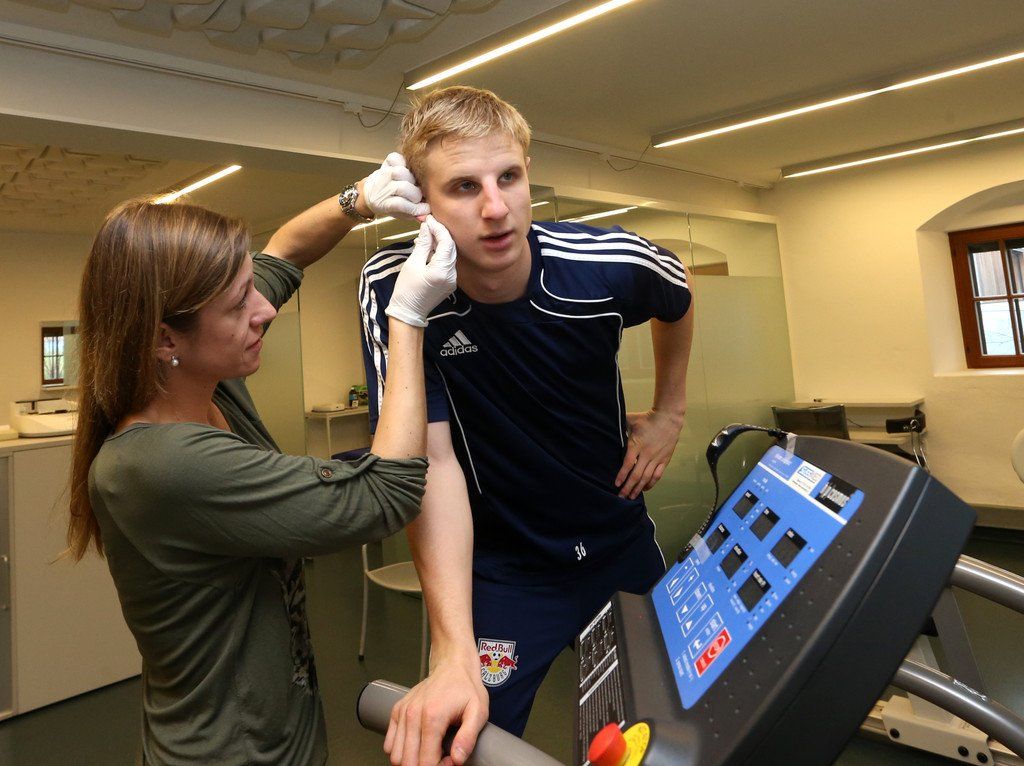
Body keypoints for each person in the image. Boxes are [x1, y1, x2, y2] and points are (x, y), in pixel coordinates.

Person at [67, 157, 456, 766]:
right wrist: (405, 319)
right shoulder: (159, 465)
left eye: (251, 287)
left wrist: (358, 200)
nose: (265, 309)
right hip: (231, 752)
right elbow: (384, 494)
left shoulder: (201, 378)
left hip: (282, 732)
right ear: (165, 339)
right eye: (237, 305)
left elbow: (285, 253)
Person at [359, 86, 693, 766]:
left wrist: (670, 412)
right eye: (463, 186)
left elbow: (678, 295)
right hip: (502, 570)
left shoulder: (607, 264)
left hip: (617, 548)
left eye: (508, 177)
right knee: (462, 743)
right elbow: (431, 462)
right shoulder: (395, 285)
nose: (495, 208)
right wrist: (451, 650)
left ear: (528, 173)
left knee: (667, 738)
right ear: (423, 201)